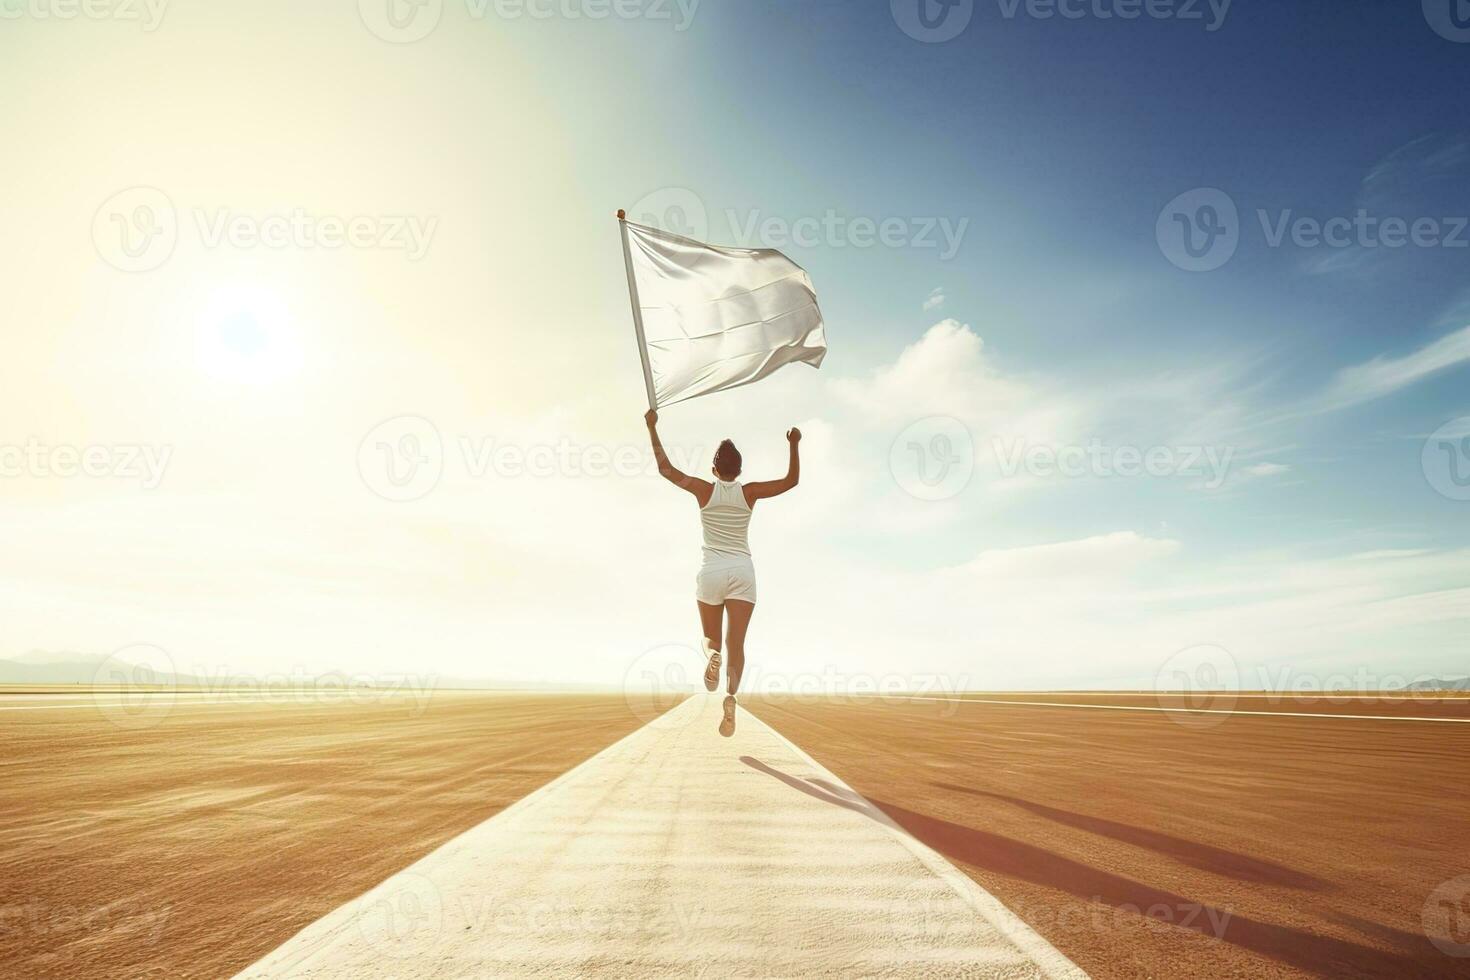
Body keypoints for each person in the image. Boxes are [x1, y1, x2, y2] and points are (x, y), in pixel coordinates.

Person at [644, 409, 801, 736]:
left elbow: (665, 469)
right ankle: (730, 695)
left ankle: (712, 656)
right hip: (743, 571)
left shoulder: (704, 490)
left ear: (714, 469)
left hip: (711, 571)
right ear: (739, 470)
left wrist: (651, 427)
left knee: (711, 638)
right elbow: (791, 481)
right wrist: (794, 444)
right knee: (738, 644)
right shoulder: (750, 492)